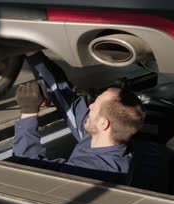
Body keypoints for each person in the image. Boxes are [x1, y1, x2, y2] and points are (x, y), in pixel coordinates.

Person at [13, 51, 145, 184]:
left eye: (95, 105)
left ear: (103, 124)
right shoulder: (101, 137)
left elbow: (26, 168)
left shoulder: (93, 172)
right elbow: (66, 98)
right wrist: (32, 53)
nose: (90, 106)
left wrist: (28, 113)